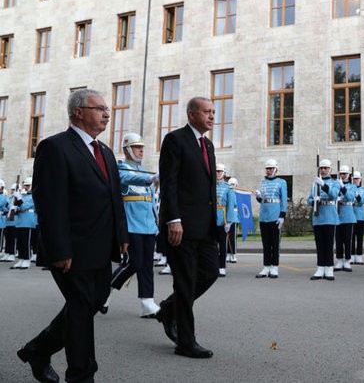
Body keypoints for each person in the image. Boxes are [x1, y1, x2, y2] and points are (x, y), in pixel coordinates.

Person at [17, 89, 128, 382]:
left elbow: (114, 197)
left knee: (93, 301)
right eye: (100, 108)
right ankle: (81, 374)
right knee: (80, 311)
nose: (107, 113)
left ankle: (38, 349)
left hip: (101, 246)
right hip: (71, 248)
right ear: (78, 112)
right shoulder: (54, 147)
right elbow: (50, 203)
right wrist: (59, 249)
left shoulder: (104, 151)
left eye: (108, 109)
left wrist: (121, 235)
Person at [155, 96, 219, 359]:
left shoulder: (209, 145)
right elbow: (169, 182)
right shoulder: (175, 140)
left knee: (210, 272)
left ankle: (169, 308)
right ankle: (186, 341)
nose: (212, 116)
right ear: (192, 114)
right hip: (180, 226)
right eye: (207, 112)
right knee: (185, 281)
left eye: (214, 112)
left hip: (205, 227)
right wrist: (173, 220)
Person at [101, 132, 162, 318]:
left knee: (146, 266)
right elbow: (127, 179)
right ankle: (106, 290)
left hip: (148, 225)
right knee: (133, 263)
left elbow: (149, 199)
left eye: (142, 147)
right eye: (137, 147)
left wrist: (155, 219)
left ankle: (147, 302)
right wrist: (150, 179)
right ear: (127, 149)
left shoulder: (142, 169)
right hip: (131, 224)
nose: (141, 151)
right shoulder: (121, 168)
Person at [255, 159, 288, 278]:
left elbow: (284, 199)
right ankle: (266, 266)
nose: (269, 171)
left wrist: (282, 215)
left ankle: (274, 266)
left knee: (275, 243)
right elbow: (262, 200)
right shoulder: (262, 183)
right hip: (264, 216)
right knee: (266, 244)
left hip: (275, 216)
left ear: (276, 169)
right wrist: (258, 197)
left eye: (271, 169)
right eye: (267, 169)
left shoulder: (281, 182)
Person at [308, 159, 339, 280]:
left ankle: (329, 268)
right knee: (319, 244)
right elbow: (309, 200)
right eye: (321, 168)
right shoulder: (314, 184)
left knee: (329, 244)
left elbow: (334, 195)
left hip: (330, 216)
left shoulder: (335, 182)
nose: (323, 170)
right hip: (318, 216)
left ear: (330, 169)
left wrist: (323, 185)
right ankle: (320, 267)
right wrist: (314, 200)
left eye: (326, 168)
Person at [215, 163, 238, 278]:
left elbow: (230, 206)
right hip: (211, 220)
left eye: (220, 171)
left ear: (224, 173)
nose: (217, 173)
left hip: (222, 219)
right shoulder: (210, 186)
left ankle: (222, 267)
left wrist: (229, 221)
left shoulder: (228, 188)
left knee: (223, 245)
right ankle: (213, 266)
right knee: (212, 245)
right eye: (216, 171)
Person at [12, 177, 37, 270]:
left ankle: (27, 259)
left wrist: (19, 200)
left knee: (26, 241)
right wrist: (15, 208)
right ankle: (21, 258)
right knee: (20, 242)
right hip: (19, 221)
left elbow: (24, 206)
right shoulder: (24, 196)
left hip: (28, 221)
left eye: (27, 185)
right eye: (25, 185)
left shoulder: (34, 196)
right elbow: (19, 208)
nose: (26, 187)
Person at [335, 165, 356, 272]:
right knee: (338, 240)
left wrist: (342, 188)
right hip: (337, 215)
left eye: (344, 174)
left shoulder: (352, 186)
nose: (343, 175)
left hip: (348, 215)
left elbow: (351, 197)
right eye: (341, 174)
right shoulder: (336, 184)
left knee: (348, 240)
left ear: (348, 175)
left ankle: (347, 260)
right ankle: (339, 259)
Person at [350, 171, 364, 265]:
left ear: (360, 179)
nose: (355, 180)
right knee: (351, 237)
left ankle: (359, 256)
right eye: (354, 179)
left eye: (357, 179)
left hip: (360, 215)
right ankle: (352, 255)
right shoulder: (349, 188)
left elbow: (362, 201)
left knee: (360, 237)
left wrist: (356, 195)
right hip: (351, 214)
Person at [226, 177, 239, 264]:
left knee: (232, 237)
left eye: (233, 184)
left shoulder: (237, 193)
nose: (232, 186)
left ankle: (233, 254)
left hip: (234, 218)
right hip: (227, 217)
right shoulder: (228, 193)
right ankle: (227, 254)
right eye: (230, 184)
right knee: (226, 236)